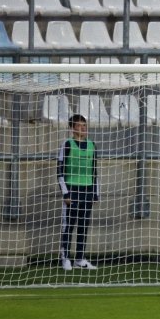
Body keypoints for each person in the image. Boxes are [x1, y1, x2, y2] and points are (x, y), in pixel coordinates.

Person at [58, 114, 99, 271]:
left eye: (84, 125)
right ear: (72, 128)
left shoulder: (92, 145)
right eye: (79, 125)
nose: (83, 128)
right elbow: (60, 170)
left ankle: (80, 259)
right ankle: (65, 258)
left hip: (87, 189)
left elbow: (95, 170)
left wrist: (96, 192)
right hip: (72, 189)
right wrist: (65, 193)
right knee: (69, 225)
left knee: (83, 225)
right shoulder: (67, 144)